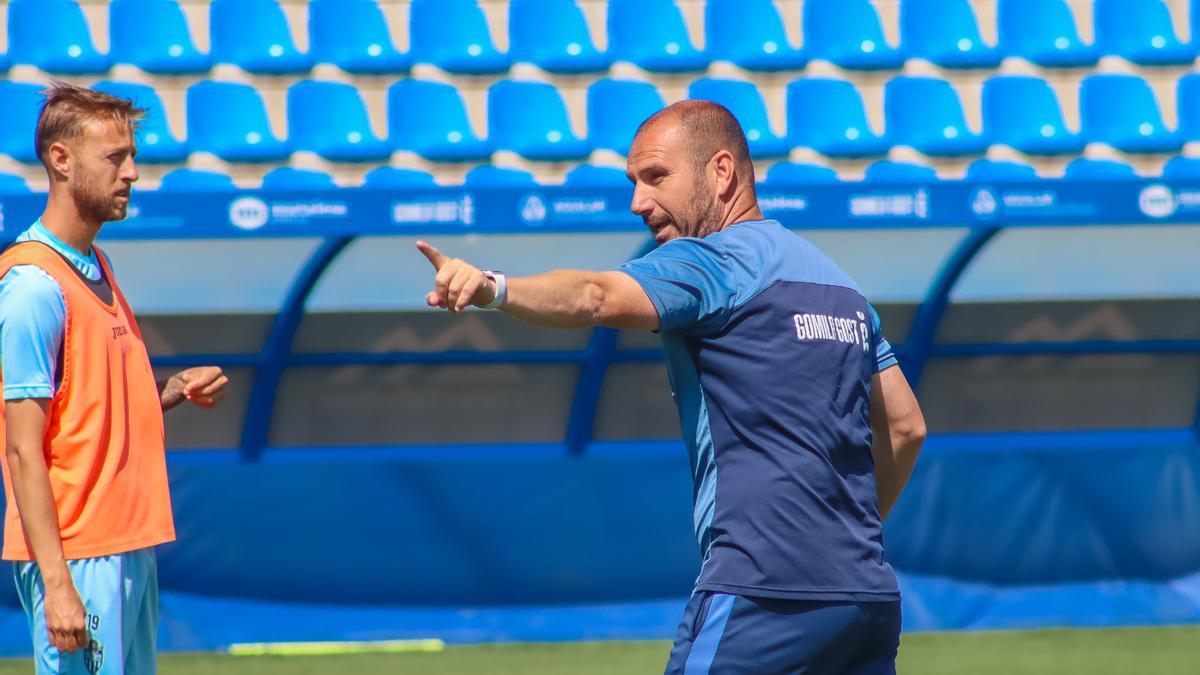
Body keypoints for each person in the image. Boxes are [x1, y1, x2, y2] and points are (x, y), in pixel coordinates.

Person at [417, 100, 926, 674]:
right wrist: (837, 540)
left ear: (721, 172)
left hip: (763, 592)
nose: (638, 201)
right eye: (633, 182)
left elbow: (595, 297)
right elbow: (907, 427)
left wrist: (493, 288)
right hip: (865, 598)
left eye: (656, 177)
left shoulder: (712, 262)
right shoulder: (843, 287)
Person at [0, 83, 229, 674]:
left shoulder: (96, 265)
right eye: (114, 158)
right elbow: (24, 449)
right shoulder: (31, 286)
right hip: (79, 556)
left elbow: (85, 415)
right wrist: (58, 583)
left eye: (133, 158)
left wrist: (169, 394)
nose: (131, 173)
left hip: (128, 546)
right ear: (60, 159)